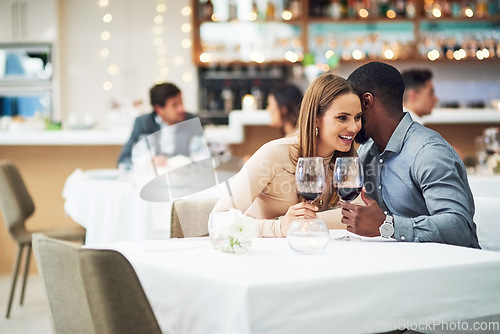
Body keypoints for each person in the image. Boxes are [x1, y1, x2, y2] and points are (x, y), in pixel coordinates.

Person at [341, 61, 480, 248]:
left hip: (452, 269)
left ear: (366, 102)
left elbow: (460, 229)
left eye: (353, 110)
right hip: (405, 267)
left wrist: (387, 225)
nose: (351, 121)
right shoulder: (366, 153)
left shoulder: (427, 152)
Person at [212, 73, 363, 237]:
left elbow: (357, 214)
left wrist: (306, 222)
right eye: (342, 118)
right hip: (260, 254)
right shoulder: (274, 154)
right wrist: (278, 227)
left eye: (357, 117)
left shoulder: (347, 162)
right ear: (315, 119)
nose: (354, 127)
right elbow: (217, 220)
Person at [117, 82, 198, 165]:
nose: (181, 109)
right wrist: (148, 163)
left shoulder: (192, 121)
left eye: (181, 102)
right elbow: (124, 160)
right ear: (159, 109)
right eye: (175, 105)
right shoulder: (143, 123)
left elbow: (202, 157)